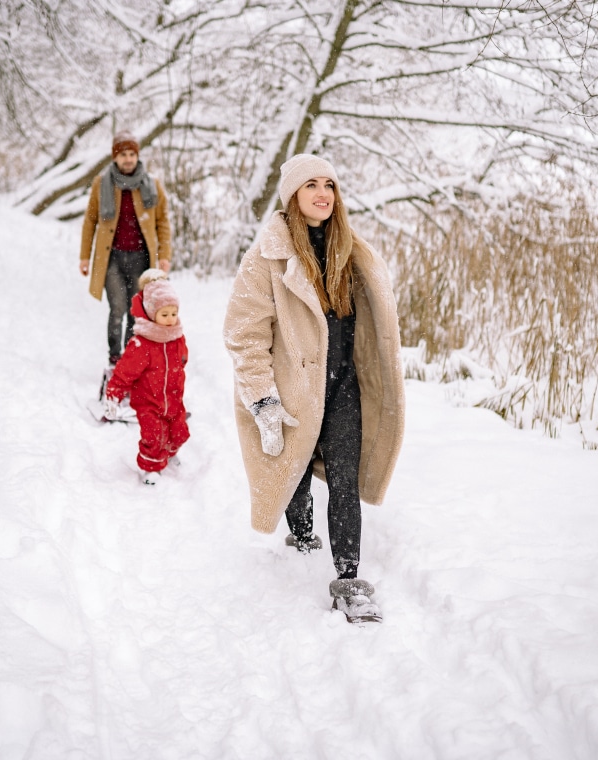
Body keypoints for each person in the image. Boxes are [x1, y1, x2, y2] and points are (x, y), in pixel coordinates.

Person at [223, 154, 405, 623]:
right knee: (296, 475)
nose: (323, 193)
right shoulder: (266, 257)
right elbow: (244, 333)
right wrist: (263, 399)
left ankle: (349, 581)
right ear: (293, 195)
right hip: (294, 390)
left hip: (343, 387)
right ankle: (301, 533)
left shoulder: (353, 251)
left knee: (344, 477)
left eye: (330, 184)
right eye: (311, 185)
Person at [80, 130, 172, 376]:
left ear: (137, 155)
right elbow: (90, 221)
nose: (128, 159)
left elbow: (162, 221)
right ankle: (114, 358)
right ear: (115, 158)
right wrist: (84, 257)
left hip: (142, 259)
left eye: (132, 154)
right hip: (112, 259)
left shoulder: (152, 184)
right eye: (123, 155)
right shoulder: (102, 184)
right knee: (117, 308)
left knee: (137, 313)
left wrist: (164, 256)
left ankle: (131, 360)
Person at [104, 275, 189, 486]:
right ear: (152, 314)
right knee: (154, 435)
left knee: (179, 432)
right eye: (164, 314)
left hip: (173, 399)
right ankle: (150, 468)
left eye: (174, 313)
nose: (170, 319)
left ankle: (167, 453)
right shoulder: (142, 344)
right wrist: (113, 394)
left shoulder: (176, 337)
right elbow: (124, 373)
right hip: (148, 402)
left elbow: (182, 358)